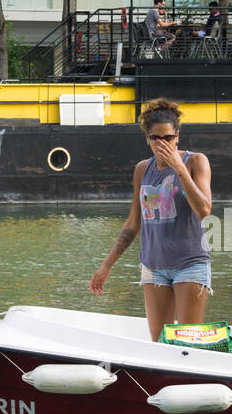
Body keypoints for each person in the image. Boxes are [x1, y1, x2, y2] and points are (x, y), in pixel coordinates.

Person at [90, 98, 212, 341]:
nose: (162, 143)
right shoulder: (142, 169)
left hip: (190, 262)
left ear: (177, 136)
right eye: (156, 138)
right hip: (153, 265)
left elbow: (204, 210)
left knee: (188, 342)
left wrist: (179, 169)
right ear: (147, 138)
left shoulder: (195, 161)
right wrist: (106, 266)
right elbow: (133, 224)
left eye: (168, 137)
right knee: (158, 342)